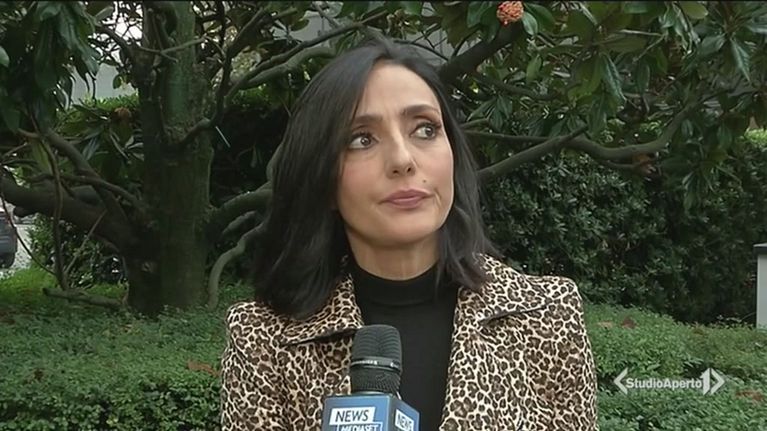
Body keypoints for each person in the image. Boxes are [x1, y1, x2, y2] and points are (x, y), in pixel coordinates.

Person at [220, 36, 599, 431]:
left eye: (424, 129)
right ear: (322, 178)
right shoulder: (263, 339)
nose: (402, 159)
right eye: (362, 139)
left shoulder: (547, 314)